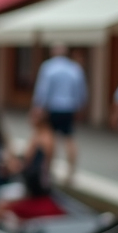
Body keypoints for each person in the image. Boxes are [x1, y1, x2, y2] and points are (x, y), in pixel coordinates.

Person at [0, 112, 61, 224]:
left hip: (34, 188)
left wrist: (12, 166)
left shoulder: (42, 139)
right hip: (36, 184)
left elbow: (31, 166)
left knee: (0, 203)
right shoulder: (43, 136)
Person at [31, 43, 88, 179]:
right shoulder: (74, 68)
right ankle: (71, 171)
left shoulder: (48, 67)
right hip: (69, 107)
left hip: (53, 107)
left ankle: (48, 169)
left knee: (50, 138)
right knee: (69, 138)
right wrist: (80, 106)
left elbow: (43, 89)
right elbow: (81, 90)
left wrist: (38, 106)